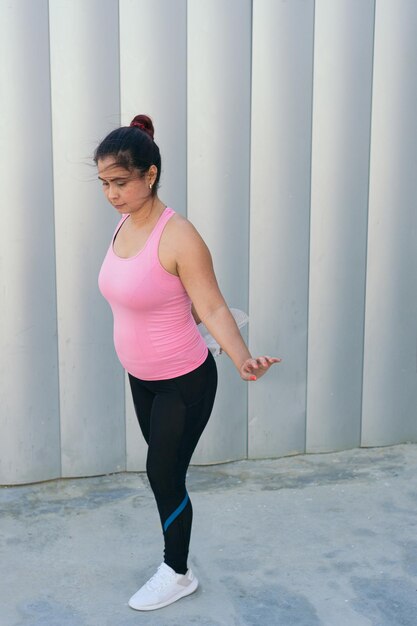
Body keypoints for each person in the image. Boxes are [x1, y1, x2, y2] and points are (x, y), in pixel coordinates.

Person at [95, 114, 281, 612]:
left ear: (149, 175)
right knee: (164, 470)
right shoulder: (123, 223)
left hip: (184, 380)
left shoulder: (178, 235)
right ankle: (175, 564)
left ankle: (177, 572)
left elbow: (212, 306)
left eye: (120, 182)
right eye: (104, 184)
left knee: (163, 472)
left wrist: (243, 359)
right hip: (143, 378)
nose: (111, 194)